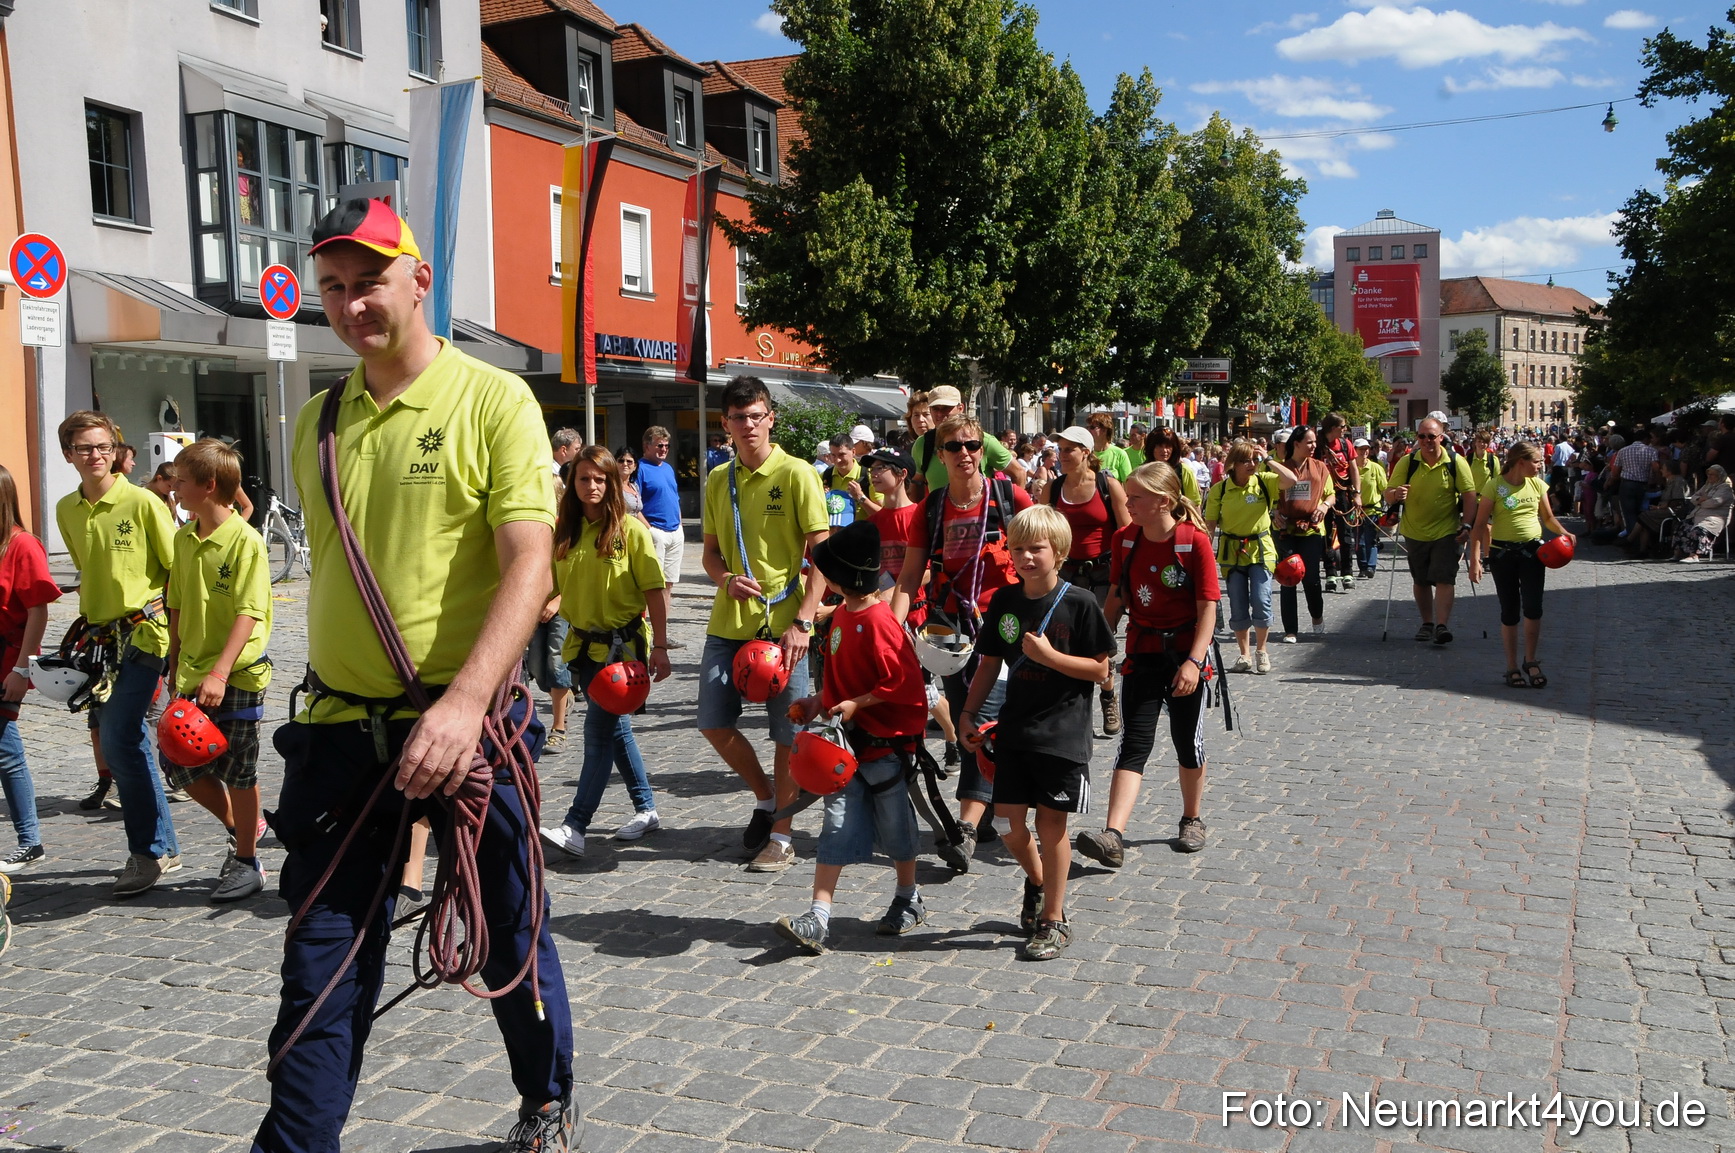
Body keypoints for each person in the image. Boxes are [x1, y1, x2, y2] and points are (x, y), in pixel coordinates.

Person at [254, 198, 573, 1151]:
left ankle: (545, 1096)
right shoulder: (317, 422)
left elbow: (531, 563)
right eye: (336, 289)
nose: (353, 306)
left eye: (371, 283)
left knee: (508, 932)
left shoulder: (493, 399)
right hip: (342, 738)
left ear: (419, 279)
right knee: (319, 962)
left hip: (472, 730)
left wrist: (468, 705)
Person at [960, 505, 1111, 960]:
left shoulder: (1080, 602)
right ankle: (1040, 880)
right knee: (1006, 823)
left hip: (1063, 734)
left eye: (1036, 549)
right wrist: (968, 713)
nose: (1026, 557)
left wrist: (1050, 658)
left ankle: (1054, 918)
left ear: (1059, 551)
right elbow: (988, 662)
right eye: (1018, 548)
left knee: (1051, 826)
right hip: (1015, 729)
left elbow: (1101, 670)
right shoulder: (1005, 602)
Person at [775, 520, 931, 953]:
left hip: (883, 749)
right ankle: (818, 917)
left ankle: (907, 896)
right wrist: (817, 703)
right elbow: (839, 679)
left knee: (897, 828)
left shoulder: (881, 621)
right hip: (843, 749)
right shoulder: (841, 614)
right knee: (836, 825)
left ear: (845, 577)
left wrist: (858, 705)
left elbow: (902, 683)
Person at [700, 377, 830, 873]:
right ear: (726, 424)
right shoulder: (718, 479)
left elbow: (822, 558)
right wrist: (726, 578)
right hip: (728, 622)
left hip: (785, 625)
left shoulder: (797, 474)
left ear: (771, 417)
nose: (748, 425)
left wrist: (802, 622)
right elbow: (711, 557)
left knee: (787, 733)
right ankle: (767, 794)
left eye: (756, 415)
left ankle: (781, 835)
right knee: (712, 720)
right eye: (739, 417)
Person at [893, 413, 1034, 870]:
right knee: (969, 711)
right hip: (951, 632)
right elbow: (910, 574)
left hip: (1008, 626)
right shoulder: (933, 508)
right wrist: (892, 629)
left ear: (983, 449)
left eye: (972, 445)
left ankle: (968, 823)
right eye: (954, 447)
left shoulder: (1009, 497)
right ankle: (992, 804)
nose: (965, 454)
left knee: (980, 717)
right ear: (939, 455)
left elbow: (1045, 551)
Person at [55, 410, 181, 895]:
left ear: (115, 450)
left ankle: (147, 853)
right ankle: (162, 846)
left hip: (146, 637)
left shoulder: (143, 503)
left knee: (120, 737)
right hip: (101, 643)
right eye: (85, 448)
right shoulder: (68, 510)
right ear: (69, 455)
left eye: (104, 446)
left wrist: (179, 643)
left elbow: (178, 574)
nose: (97, 455)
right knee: (127, 742)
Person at [1076, 462, 1218, 872]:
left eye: (1135, 497)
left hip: (1185, 654)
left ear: (1163, 501)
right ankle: (1112, 836)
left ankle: (1192, 817)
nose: (1127, 503)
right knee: (1135, 743)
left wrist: (1194, 661)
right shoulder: (1124, 540)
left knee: (1186, 742)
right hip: (1144, 652)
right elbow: (1117, 600)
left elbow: (1208, 608)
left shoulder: (1193, 542)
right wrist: (1100, 649)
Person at [539, 447, 672, 858]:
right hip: (582, 649)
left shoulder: (630, 531)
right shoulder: (564, 532)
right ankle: (646, 808)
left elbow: (654, 589)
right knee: (616, 732)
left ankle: (575, 827)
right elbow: (553, 584)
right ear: (573, 483)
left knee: (597, 732)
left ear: (612, 483)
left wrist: (663, 646)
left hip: (621, 651)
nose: (592, 486)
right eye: (584, 479)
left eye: (600, 479)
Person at [164, 438, 274, 902]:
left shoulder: (245, 542)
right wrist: (173, 667)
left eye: (181, 482)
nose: (174, 490)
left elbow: (248, 612)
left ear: (209, 486)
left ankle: (247, 861)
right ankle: (243, 829)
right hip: (192, 673)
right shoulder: (184, 536)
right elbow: (177, 606)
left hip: (238, 675)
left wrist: (220, 673)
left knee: (239, 773)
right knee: (179, 765)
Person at [1039, 425, 1129, 733]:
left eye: (1068, 450)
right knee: (1064, 640)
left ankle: (1107, 696)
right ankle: (1070, 704)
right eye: (1059, 450)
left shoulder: (1108, 485)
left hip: (1104, 575)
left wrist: (1125, 577)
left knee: (1099, 642)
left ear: (1086, 452)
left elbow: (1127, 532)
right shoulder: (1053, 488)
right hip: (1065, 574)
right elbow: (1041, 529)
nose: (1061, 456)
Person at [1467, 443, 1575, 689]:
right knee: (1509, 611)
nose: (1540, 465)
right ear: (1520, 462)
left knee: (1534, 607)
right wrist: (1475, 560)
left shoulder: (1537, 485)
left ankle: (1531, 659)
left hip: (1532, 552)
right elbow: (1480, 525)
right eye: (1536, 461)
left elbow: (1547, 518)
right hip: (1502, 554)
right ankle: (1511, 665)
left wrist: (1564, 532)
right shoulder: (1494, 486)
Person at [0, 464, 58, 875]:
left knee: (5, 749)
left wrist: (22, 669)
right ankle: (28, 837)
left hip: (6, 661)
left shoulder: (23, 546)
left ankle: (30, 839)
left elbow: (38, 611)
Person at [1383, 417, 1477, 646]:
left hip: (1447, 530)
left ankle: (1442, 625)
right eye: (1422, 436)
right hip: (1415, 531)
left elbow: (1469, 495)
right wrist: (1396, 495)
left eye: (1431, 436)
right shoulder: (1408, 462)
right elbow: (1388, 493)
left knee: (1445, 577)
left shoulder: (1456, 462)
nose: (1426, 441)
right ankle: (1427, 623)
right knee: (1422, 580)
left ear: (1441, 437)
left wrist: (1467, 524)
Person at [1204, 443, 1293, 674]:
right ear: (1233, 464)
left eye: (1255, 460)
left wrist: (1269, 460)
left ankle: (1262, 650)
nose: (1252, 465)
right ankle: (1244, 654)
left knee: (1262, 600)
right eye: (1246, 460)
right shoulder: (1220, 490)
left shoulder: (1264, 480)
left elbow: (1291, 480)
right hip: (1231, 551)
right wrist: (1202, 558)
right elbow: (1210, 525)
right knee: (1238, 603)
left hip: (1260, 549)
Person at [1271, 425, 1333, 644]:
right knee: (1288, 577)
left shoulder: (1320, 467)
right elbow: (1269, 496)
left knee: (1311, 579)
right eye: (1309, 442)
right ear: (1296, 444)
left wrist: (1324, 507)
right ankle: (1290, 630)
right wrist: (1275, 512)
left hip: (1311, 530)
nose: (1314, 446)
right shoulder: (1281, 468)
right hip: (1286, 530)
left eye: (1315, 442)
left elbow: (1331, 494)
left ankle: (1317, 616)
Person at [910, 386, 1026, 491]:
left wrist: (1015, 510)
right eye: (935, 408)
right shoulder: (923, 444)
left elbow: (1019, 473)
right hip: (939, 513)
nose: (940, 414)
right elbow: (916, 482)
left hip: (982, 512)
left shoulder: (982, 440)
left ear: (960, 408)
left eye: (946, 408)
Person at [1315, 414, 1362, 593]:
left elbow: (1353, 469)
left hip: (1343, 493)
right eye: (1342, 426)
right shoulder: (1318, 447)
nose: (1345, 429)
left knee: (1346, 533)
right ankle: (1330, 573)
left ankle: (1348, 572)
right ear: (1332, 427)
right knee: (1325, 534)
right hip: (1323, 496)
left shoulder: (1345, 445)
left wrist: (1357, 494)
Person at [637, 426, 684, 587]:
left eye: (667, 446)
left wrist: (680, 524)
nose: (664, 449)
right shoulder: (639, 469)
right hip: (656, 531)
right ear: (646, 446)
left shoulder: (668, 468)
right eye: (660, 445)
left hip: (675, 531)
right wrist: (650, 530)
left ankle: (664, 614)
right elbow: (633, 503)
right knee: (653, 583)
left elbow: (674, 498)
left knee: (669, 583)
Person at [1610, 429, 1662, 543]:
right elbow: (1656, 469)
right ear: (1645, 439)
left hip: (1627, 484)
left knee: (1628, 513)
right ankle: (1640, 540)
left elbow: (1615, 472)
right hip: (1643, 485)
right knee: (1642, 513)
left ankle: (1632, 539)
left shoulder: (1623, 451)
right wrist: (1659, 483)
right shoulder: (1651, 451)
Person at [1674, 464, 1731, 562]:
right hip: (1698, 515)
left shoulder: (1725, 488)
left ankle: (1694, 555)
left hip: (1714, 518)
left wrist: (1700, 502)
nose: (1709, 477)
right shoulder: (1707, 486)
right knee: (1682, 525)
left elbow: (1715, 502)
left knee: (1699, 530)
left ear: (1719, 476)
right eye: (1708, 474)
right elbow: (1693, 498)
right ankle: (1678, 554)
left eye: (1712, 475)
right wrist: (1701, 499)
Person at [821, 433, 876, 526]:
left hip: (862, 536)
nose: (837, 460)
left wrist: (860, 497)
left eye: (842, 454)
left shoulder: (869, 476)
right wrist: (821, 498)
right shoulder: (824, 476)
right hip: (833, 537)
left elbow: (883, 515)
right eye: (833, 455)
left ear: (853, 452)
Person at [1140, 427, 1202, 504]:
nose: (1164, 450)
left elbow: (1194, 503)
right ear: (1151, 447)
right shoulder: (1141, 472)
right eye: (1159, 446)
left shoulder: (1183, 471)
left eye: (1168, 446)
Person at [1355, 439, 1388, 580]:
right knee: (1359, 541)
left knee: (1371, 540)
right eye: (1361, 449)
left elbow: (1384, 488)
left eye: (1367, 449)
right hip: (1355, 512)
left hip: (1373, 511)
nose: (1364, 452)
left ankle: (1370, 567)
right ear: (1354, 451)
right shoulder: (1351, 468)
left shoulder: (1376, 468)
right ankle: (1362, 567)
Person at [1085, 413, 1133, 484]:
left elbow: (1128, 484)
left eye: (1092, 427)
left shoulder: (1119, 454)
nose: (1088, 430)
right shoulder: (1084, 453)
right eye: (1087, 427)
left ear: (1104, 430)